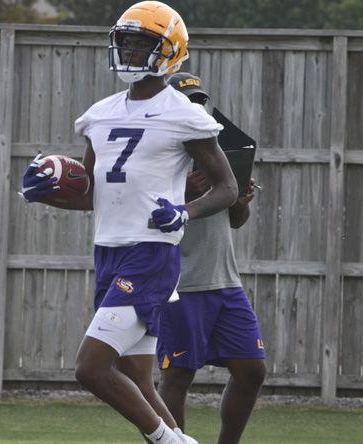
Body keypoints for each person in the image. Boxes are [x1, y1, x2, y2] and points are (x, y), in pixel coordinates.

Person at [20, 2, 238, 443]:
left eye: (143, 45)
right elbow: (90, 196)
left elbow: (227, 188)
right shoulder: (100, 114)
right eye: (126, 43)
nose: (132, 53)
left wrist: (185, 212)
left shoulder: (185, 115)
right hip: (109, 251)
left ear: (170, 51)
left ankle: (171, 441)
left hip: (151, 253)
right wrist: (44, 194)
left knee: (91, 367)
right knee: (135, 377)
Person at [157, 72, 267, 444]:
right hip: (180, 284)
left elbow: (235, 222)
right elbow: (140, 220)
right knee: (177, 377)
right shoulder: (157, 156)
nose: (194, 107)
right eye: (186, 101)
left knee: (252, 371)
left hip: (226, 281)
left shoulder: (215, 152)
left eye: (198, 101)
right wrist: (181, 191)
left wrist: (239, 203)